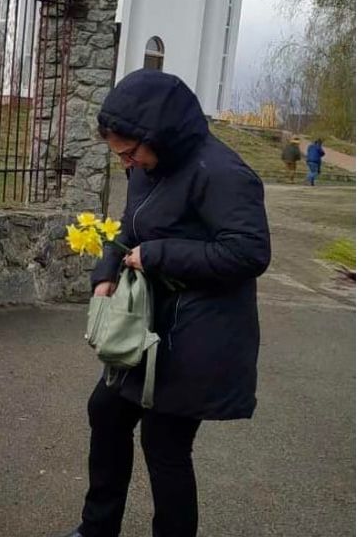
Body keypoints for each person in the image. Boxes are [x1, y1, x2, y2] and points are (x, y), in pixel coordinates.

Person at [58, 70, 271, 537]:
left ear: (159, 135)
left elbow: (249, 252)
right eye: (120, 157)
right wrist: (105, 273)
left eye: (130, 153)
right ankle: (97, 529)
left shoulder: (223, 173)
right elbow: (128, 227)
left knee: (165, 444)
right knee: (107, 411)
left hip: (199, 335)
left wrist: (158, 254)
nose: (127, 166)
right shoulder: (146, 168)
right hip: (149, 325)